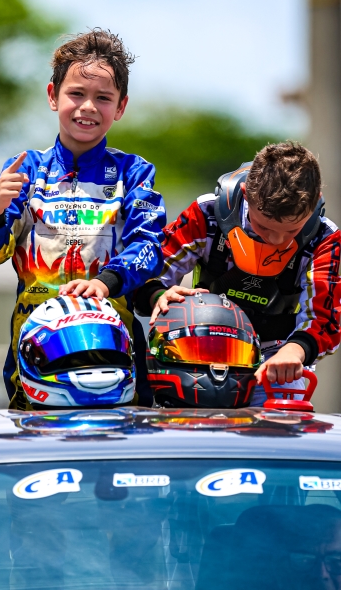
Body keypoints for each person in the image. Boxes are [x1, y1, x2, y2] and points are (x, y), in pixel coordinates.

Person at [0, 28, 167, 408]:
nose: (88, 107)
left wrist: (106, 283)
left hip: (113, 347)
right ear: (52, 95)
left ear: (121, 107)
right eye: (76, 93)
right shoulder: (25, 168)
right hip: (37, 347)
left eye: (103, 98)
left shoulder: (135, 173)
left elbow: (150, 247)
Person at [134, 142, 341, 405]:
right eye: (263, 227)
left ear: (313, 205)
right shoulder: (206, 213)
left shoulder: (325, 237)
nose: (276, 240)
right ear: (245, 194)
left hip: (275, 361)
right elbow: (143, 273)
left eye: (291, 231)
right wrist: (158, 295)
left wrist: (296, 350)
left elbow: (326, 318)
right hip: (198, 353)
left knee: (281, 432)